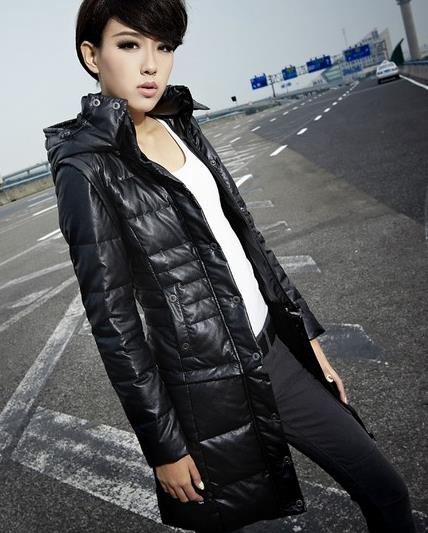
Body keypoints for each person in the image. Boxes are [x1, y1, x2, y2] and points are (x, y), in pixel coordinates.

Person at [42, 1, 416, 532]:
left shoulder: (179, 123)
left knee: (387, 491)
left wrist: (308, 344)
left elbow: (249, 244)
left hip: (276, 353)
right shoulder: (86, 167)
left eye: (163, 47)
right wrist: (163, 447)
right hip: (210, 385)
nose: (151, 65)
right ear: (91, 55)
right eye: (129, 45)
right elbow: (114, 323)